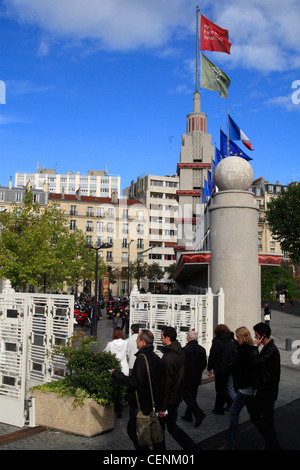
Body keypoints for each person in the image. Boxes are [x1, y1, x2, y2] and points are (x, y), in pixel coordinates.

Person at [110, 329, 163, 451]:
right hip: (152, 402)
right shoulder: (155, 357)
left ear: (143, 342)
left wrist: (117, 375)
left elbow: (134, 382)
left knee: (136, 433)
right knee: (148, 433)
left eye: (138, 339)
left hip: (140, 404)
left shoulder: (141, 359)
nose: (136, 340)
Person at [158, 326, 200, 451]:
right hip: (176, 397)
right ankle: (192, 447)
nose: (160, 339)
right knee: (172, 427)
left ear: (168, 338)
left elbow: (166, 383)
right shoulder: (181, 352)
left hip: (168, 399)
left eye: (162, 337)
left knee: (160, 431)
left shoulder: (168, 358)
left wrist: (162, 407)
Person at [219, 326, 256, 450]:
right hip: (246, 387)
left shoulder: (247, 350)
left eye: (238, 337)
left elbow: (249, 369)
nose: (237, 339)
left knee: (234, 411)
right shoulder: (242, 349)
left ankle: (230, 441)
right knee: (254, 415)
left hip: (246, 387)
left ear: (244, 337)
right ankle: (269, 434)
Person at [249, 322, 281, 450]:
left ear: (263, 335)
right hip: (263, 389)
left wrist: (254, 348)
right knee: (256, 417)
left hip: (268, 390)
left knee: (266, 421)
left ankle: (274, 445)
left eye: (256, 334)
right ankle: (271, 443)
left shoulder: (271, 350)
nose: (255, 337)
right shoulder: (268, 348)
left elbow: (257, 363)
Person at [207, 324, 234, 414]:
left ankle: (232, 404)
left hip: (219, 368)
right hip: (228, 368)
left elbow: (212, 355)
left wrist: (209, 368)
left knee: (220, 390)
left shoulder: (217, 341)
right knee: (223, 389)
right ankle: (218, 408)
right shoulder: (230, 341)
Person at [181, 330, 207, 427]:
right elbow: (204, 364)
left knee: (187, 396)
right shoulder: (202, 349)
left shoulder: (185, 350)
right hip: (197, 376)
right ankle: (188, 415)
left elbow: (182, 364)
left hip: (187, 376)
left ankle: (198, 413)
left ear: (188, 338)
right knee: (192, 396)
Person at [104, 327, 129, 418]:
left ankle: (117, 406)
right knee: (122, 387)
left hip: (114, 368)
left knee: (115, 387)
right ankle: (121, 403)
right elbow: (128, 353)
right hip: (124, 367)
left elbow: (105, 353)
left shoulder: (110, 344)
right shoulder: (126, 343)